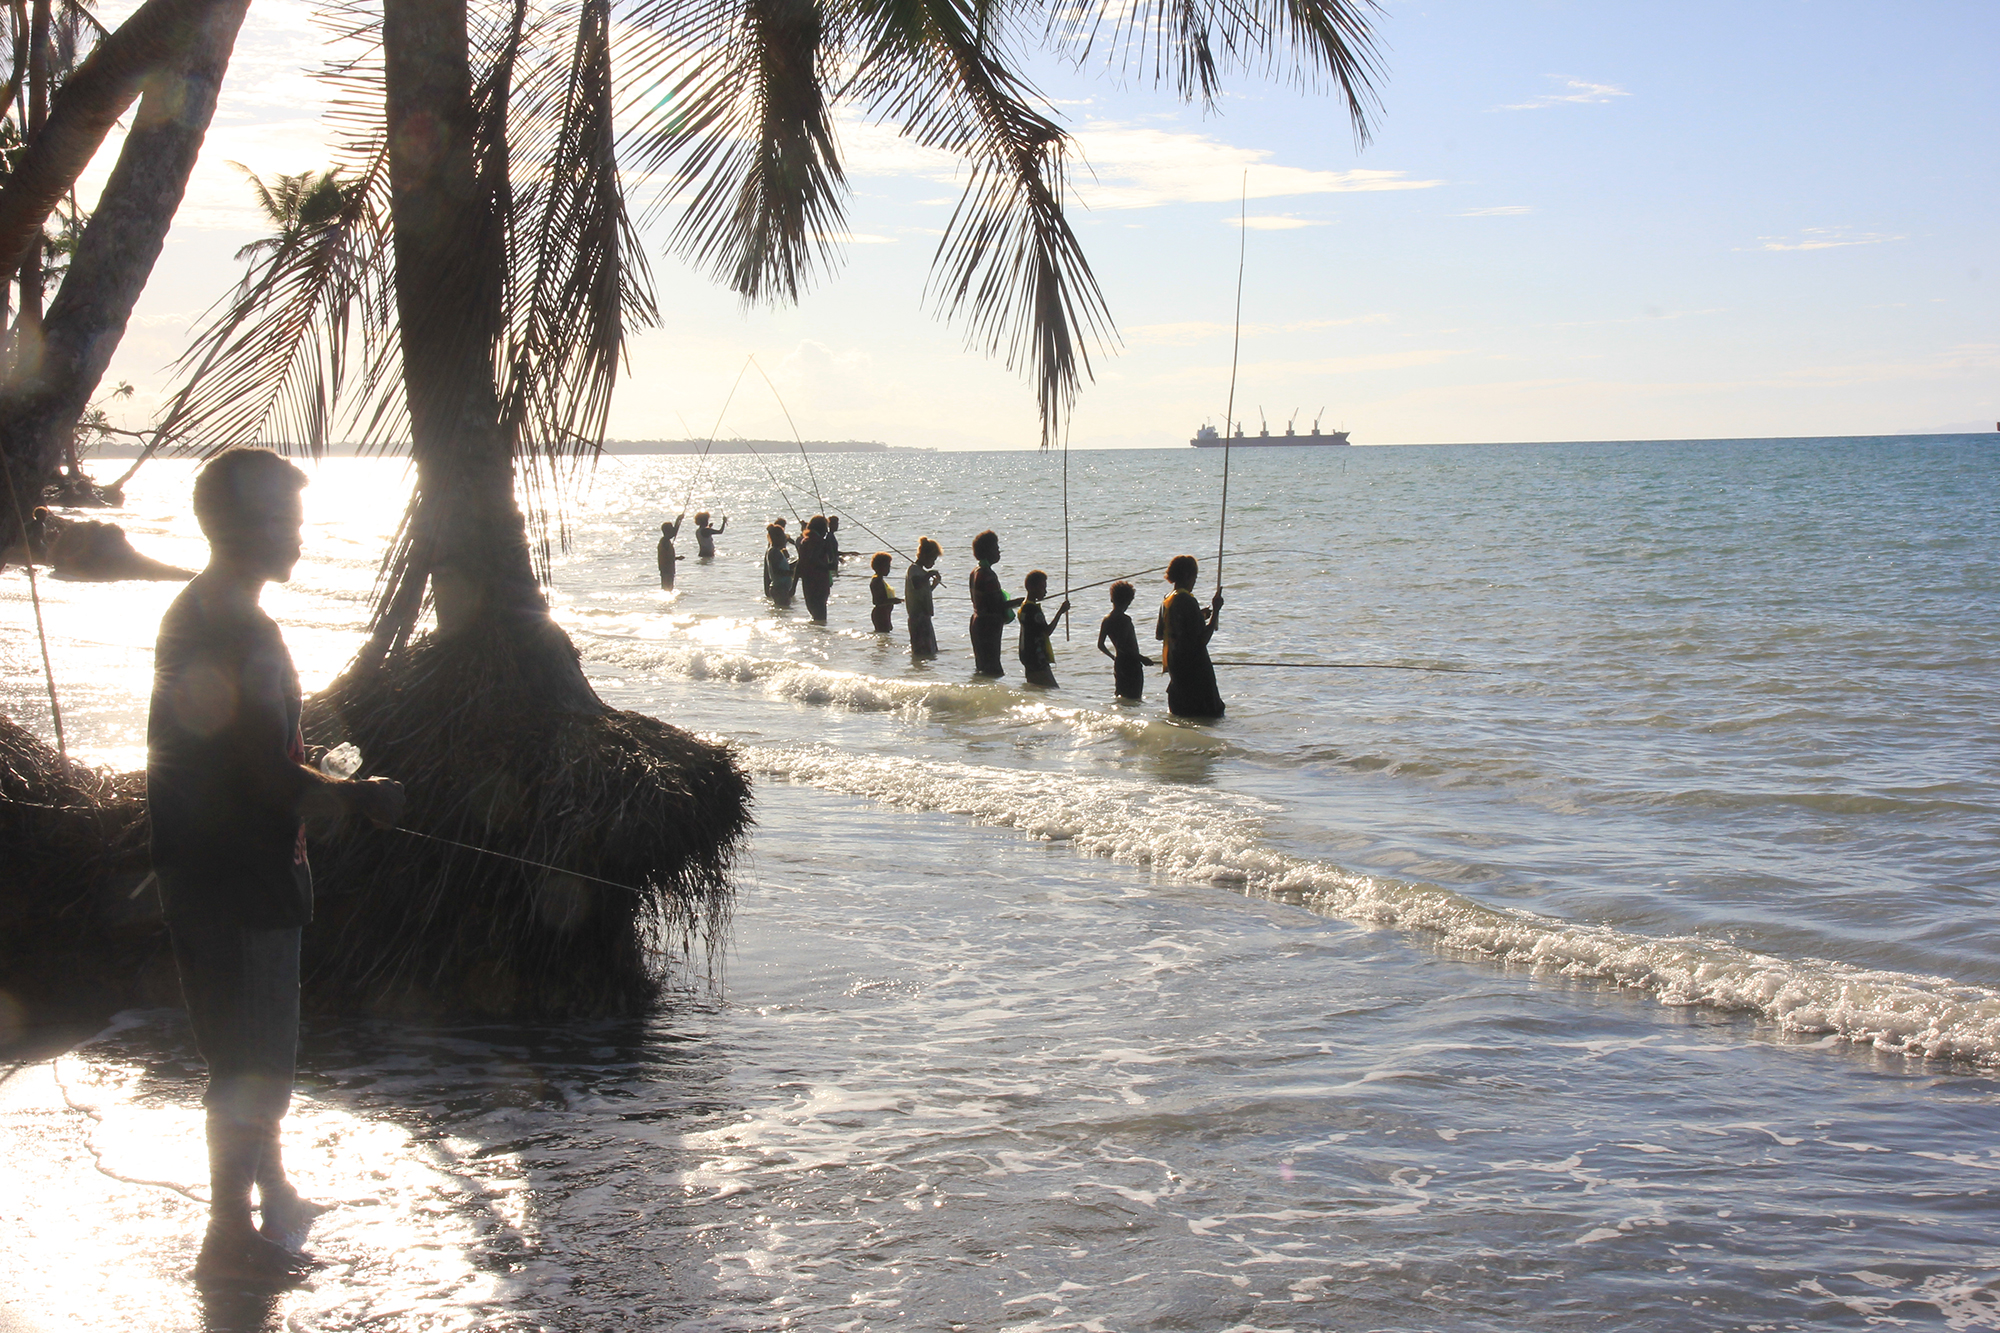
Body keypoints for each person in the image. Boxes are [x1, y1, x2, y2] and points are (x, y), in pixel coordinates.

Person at [147, 448, 405, 1286]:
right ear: (242, 528)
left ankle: (271, 1188)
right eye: (286, 522)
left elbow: (237, 752)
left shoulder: (203, 609)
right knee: (255, 1062)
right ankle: (227, 1233)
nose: (298, 537)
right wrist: (359, 794)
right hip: (241, 874)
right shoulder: (238, 625)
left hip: (202, 866)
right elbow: (261, 771)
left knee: (243, 1049)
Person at [1155, 554, 1225, 718]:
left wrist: (1198, 616)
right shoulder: (1187, 600)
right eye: (1195, 577)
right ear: (1187, 575)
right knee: (1210, 718)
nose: (1194, 581)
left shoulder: (1167, 600)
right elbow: (1202, 640)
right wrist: (1216, 611)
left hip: (1177, 673)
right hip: (1196, 673)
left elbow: (1160, 634)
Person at [967, 530, 1021, 677]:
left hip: (977, 621)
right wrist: (1016, 603)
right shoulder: (987, 574)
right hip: (988, 625)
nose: (998, 552)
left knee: (982, 667)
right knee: (993, 669)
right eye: (996, 548)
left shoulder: (975, 571)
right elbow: (994, 606)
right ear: (988, 551)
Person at [1096, 580, 1154, 702]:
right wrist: (1141, 658)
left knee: (1121, 695)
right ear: (1129, 601)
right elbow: (1123, 646)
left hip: (1119, 663)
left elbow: (1100, 645)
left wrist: (1113, 657)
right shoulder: (1125, 620)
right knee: (1134, 698)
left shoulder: (1107, 620)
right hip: (1131, 665)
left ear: (1112, 599)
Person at [1016, 570, 1070, 687]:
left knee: (1037, 689)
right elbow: (1047, 631)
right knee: (1051, 688)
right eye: (1042, 588)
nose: (1045, 592)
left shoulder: (1024, 606)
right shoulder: (1033, 610)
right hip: (1037, 659)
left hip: (1028, 656)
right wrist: (1060, 612)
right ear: (1031, 588)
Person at [904, 537, 943, 658]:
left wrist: (934, 585)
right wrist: (929, 574)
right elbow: (916, 584)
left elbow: (923, 591)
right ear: (925, 555)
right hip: (917, 617)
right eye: (933, 559)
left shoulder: (920, 571)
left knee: (930, 651)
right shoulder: (914, 569)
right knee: (921, 651)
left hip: (925, 616)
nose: (933, 563)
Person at [796, 515, 832, 623]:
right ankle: (821, 636)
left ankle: (815, 635)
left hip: (807, 583)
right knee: (821, 616)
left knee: (814, 613)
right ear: (821, 528)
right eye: (826, 528)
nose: (826, 531)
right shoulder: (819, 542)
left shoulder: (804, 541)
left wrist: (793, 586)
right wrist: (828, 567)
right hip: (819, 583)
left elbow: (800, 563)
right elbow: (814, 558)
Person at [762, 522, 796, 607]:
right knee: (784, 610)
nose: (785, 541)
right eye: (784, 538)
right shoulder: (774, 552)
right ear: (777, 538)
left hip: (782, 588)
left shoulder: (777, 551)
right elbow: (777, 571)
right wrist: (792, 573)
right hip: (779, 589)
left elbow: (784, 567)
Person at [868, 552, 902, 633]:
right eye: (887, 566)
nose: (889, 569)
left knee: (886, 635)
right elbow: (876, 601)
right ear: (880, 567)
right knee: (883, 633)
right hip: (880, 614)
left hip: (885, 613)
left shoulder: (881, 580)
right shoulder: (877, 581)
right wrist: (893, 600)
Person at [656, 517, 681, 589]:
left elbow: (667, 557)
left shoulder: (665, 541)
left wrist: (678, 520)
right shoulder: (665, 542)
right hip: (666, 570)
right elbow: (667, 558)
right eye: (671, 530)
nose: (673, 533)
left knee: (668, 588)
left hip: (667, 569)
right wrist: (678, 520)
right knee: (667, 588)